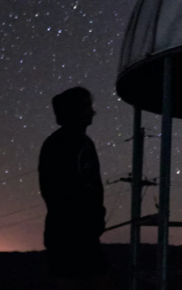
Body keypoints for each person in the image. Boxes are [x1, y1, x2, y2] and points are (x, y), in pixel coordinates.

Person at [38, 87, 109, 289]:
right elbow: (53, 191)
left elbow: (93, 185)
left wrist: (96, 218)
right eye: (86, 106)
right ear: (72, 110)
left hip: (83, 234)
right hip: (68, 235)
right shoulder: (58, 144)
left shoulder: (85, 143)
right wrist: (83, 221)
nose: (92, 111)